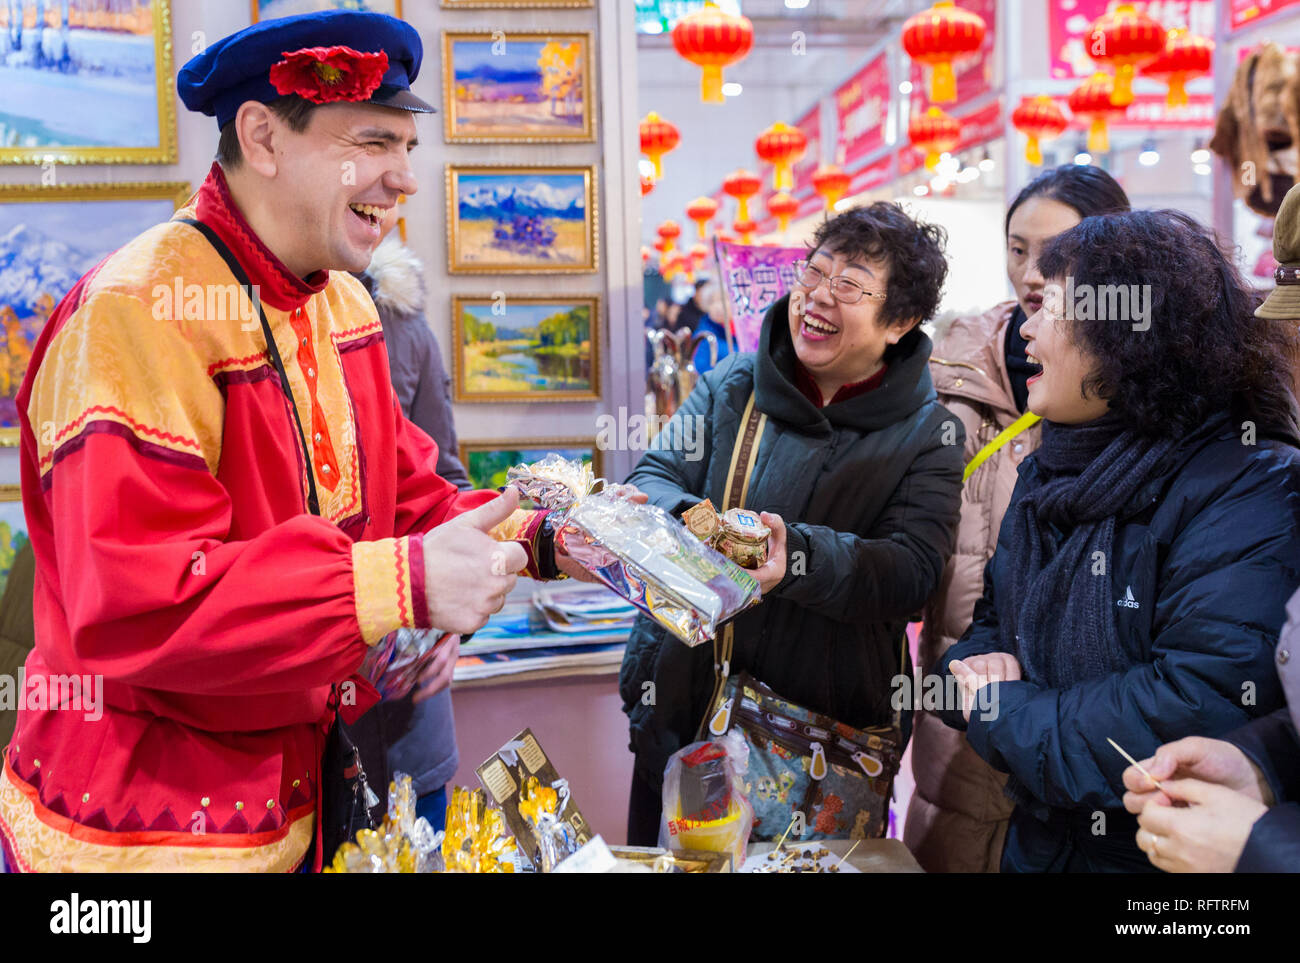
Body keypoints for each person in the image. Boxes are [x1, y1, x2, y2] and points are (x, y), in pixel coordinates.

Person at [0, 11, 592, 873]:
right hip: (140, 834)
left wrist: (554, 537)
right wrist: (403, 581)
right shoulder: (134, 310)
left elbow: (411, 499)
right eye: (373, 142)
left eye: (407, 147)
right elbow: (140, 599)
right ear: (262, 136)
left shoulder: (343, 305)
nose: (403, 178)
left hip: (299, 801)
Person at [934, 209, 1300, 872]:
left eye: (1049, 307)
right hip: (1041, 846)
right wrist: (976, 669)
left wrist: (1000, 707)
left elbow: (1187, 706)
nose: (1027, 328)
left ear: (1126, 335)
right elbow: (991, 626)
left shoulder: (1246, 483)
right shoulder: (1051, 468)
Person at [620, 202, 964, 844]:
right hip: (684, 701)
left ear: (901, 322)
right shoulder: (734, 384)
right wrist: (701, 529)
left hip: (815, 743)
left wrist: (795, 556)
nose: (819, 296)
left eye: (851, 286)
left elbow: (912, 573)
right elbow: (652, 477)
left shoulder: (930, 433)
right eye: (815, 271)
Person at [905, 165, 1131, 873]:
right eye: (1017, 248)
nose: (1033, 272)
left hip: (1084, 710)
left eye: (1058, 251)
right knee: (954, 840)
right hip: (966, 682)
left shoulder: (1142, 389)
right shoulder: (953, 369)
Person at [355, 208, 468, 833]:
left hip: (406, 709)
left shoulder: (406, 324)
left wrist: (451, 619)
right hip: (291, 719)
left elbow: (445, 481)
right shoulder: (239, 315)